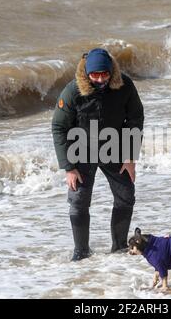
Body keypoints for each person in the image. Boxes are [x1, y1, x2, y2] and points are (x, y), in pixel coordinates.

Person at [51, 48, 144, 261]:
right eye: (95, 75)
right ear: (87, 74)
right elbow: (58, 127)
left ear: (111, 71)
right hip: (81, 150)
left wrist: (130, 157)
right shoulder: (73, 91)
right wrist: (69, 167)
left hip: (114, 147)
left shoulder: (125, 85)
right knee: (79, 200)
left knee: (126, 196)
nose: (100, 79)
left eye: (104, 74)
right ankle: (81, 252)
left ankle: (120, 247)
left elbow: (136, 120)